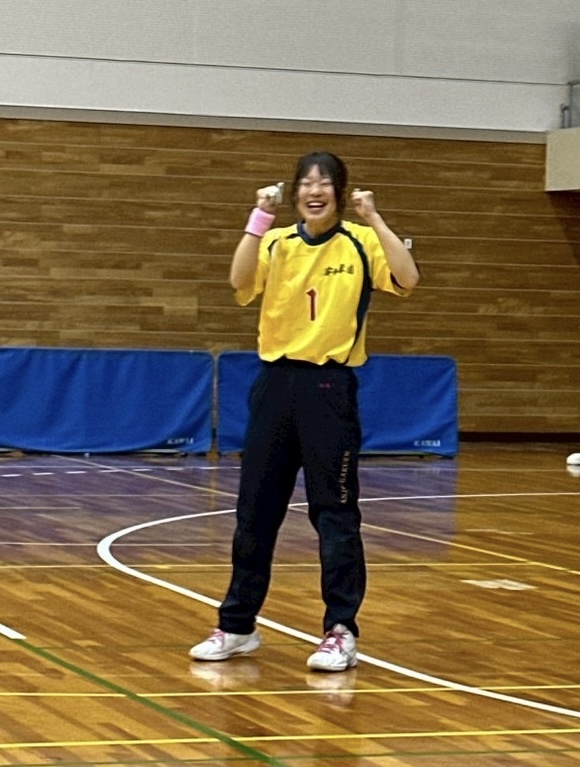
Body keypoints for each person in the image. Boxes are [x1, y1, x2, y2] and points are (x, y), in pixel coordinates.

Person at [190, 151, 420, 671]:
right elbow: (239, 282)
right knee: (255, 512)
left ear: (341, 191)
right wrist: (258, 219)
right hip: (275, 384)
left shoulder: (361, 242)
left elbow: (408, 279)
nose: (315, 191)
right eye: (306, 183)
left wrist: (375, 218)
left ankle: (340, 631)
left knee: (334, 514)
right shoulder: (276, 242)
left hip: (329, 387)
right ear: (294, 192)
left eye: (325, 183)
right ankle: (237, 626)